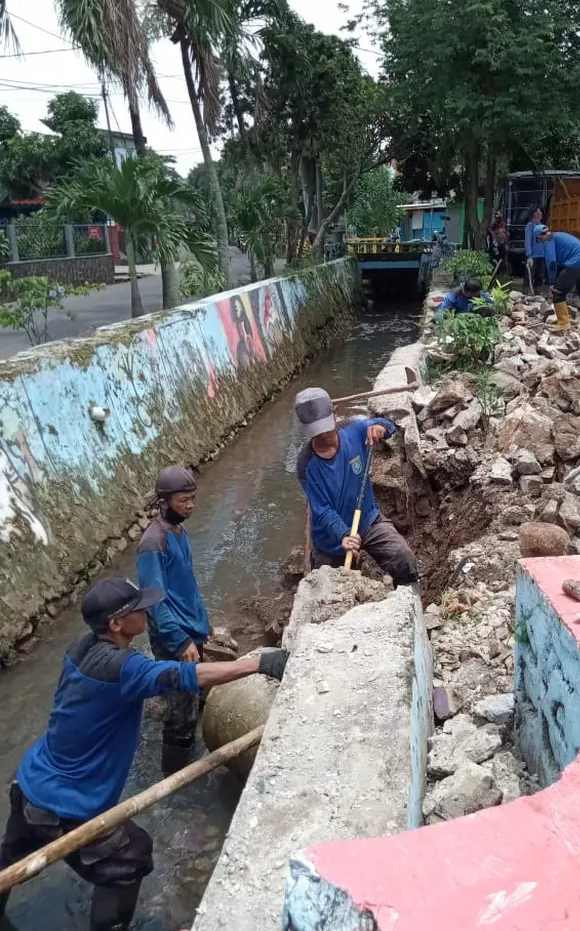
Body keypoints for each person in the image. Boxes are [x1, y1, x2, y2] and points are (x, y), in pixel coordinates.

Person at [0, 577, 287, 931]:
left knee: (10, 863)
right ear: (116, 624)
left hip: (29, 783)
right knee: (131, 856)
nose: (146, 610)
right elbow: (187, 676)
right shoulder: (124, 669)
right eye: (137, 608)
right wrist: (259, 664)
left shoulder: (80, 646)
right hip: (66, 805)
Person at [295, 388, 418, 587]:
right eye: (316, 431)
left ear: (334, 413)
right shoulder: (306, 465)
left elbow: (389, 426)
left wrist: (381, 428)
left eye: (326, 427)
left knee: (403, 559)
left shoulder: (355, 429)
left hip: (367, 520)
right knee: (331, 591)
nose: (323, 435)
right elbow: (322, 510)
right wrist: (343, 534)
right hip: (332, 539)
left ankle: (409, 598)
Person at [136, 467, 210, 776]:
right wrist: (179, 641)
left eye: (193, 499)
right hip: (174, 640)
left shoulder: (179, 532)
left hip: (191, 633)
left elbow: (185, 585)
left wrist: (201, 623)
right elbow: (153, 601)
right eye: (183, 500)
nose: (190, 506)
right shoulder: (153, 543)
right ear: (164, 502)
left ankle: (190, 756)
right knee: (180, 715)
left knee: (194, 699)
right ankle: (173, 779)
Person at [530, 224, 580, 330]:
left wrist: (552, 282)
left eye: (539, 240)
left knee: (558, 292)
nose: (540, 242)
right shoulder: (559, 235)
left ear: (539, 236)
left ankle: (563, 323)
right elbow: (560, 261)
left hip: (575, 263)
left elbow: (551, 262)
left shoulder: (549, 239)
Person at [524, 207, 547, 294]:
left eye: (540, 213)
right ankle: (526, 293)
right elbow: (528, 241)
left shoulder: (542, 226)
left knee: (540, 276)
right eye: (537, 213)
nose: (539, 215)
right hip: (533, 256)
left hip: (542, 255)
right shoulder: (530, 226)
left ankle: (537, 293)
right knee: (529, 275)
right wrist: (529, 256)